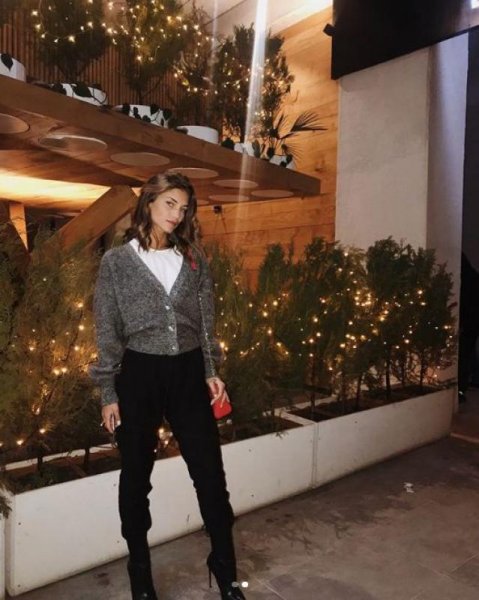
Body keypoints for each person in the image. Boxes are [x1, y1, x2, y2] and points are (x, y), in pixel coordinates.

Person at [89, 173, 247, 600]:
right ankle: (140, 571)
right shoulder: (117, 262)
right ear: (149, 202)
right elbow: (106, 328)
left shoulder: (193, 258)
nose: (178, 214)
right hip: (139, 374)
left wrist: (211, 370)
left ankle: (225, 565)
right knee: (136, 476)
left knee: (210, 473)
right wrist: (108, 391)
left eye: (184, 207)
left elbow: (207, 321)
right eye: (170, 203)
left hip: (189, 372)